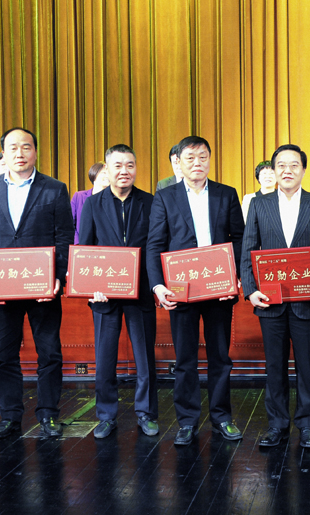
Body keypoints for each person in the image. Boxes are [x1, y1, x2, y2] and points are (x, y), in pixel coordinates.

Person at [0, 127, 73, 440]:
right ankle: (10, 416)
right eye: (13, 147)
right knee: (5, 355)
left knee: (49, 353)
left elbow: (64, 236)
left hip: (43, 288)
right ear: (4, 153)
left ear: (35, 151)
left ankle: (48, 414)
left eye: (26, 147)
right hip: (2, 287)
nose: (20, 153)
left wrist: (58, 276)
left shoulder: (54, 188)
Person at [146, 135, 245, 446]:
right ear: (178, 162)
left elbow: (239, 239)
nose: (197, 163)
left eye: (203, 157)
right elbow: (154, 244)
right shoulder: (165, 197)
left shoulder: (226, 194)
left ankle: (222, 417)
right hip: (181, 291)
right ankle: (187, 422)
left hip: (218, 289)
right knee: (185, 359)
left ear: (210, 160)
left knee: (220, 357)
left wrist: (237, 277)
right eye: (190, 158)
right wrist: (157, 285)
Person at [240, 144, 310, 449]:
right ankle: (277, 424)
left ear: (304, 170)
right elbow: (248, 248)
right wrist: (250, 290)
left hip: (309, 301)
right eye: (281, 165)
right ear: (273, 170)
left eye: (294, 165)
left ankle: (307, 424)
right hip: (271, 301)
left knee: (307, 366)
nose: (287, 170)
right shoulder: (259, 204)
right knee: (275, 366)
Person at [78, 145, 159, 439]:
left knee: (144, 358)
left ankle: (146, 413)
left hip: (140, 293)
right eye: (118, 166)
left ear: (136, 168)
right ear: (107, 169)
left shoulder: (151, 202)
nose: (124, 171)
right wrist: (91, 288)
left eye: (130, 165)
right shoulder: (92, 204)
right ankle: (106, 416)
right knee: (105, 359)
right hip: (105, 295)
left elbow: (156, 246)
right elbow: (85, 248)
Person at [70, 162, 110, 244]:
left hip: (103, 247)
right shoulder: (79, 196)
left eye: (109, 173)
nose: (108, 176)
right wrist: (78, 244)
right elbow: (69, 224)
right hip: (81, 246)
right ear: (94, 174)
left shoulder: (113, 200)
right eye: (104, 173)